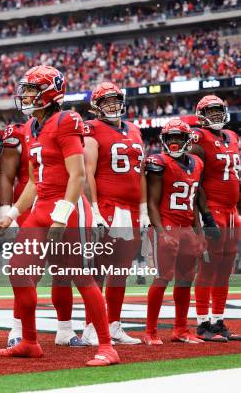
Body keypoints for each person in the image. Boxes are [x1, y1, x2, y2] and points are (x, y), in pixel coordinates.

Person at [0, 65, 118, 366]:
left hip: (69, 208)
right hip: (41, 208)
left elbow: (76, 175)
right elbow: (36, 183)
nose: (25, 96)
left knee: (80, 275)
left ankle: (106, 346)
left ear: (50, 94)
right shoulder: (31, 129)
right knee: (18, 269)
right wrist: (11, 213)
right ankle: (29, 341)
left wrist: (62, 215)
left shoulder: (66, 120)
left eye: (31, 90)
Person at [80, 81, 149, 345]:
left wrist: (143, 209)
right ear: (96, 107)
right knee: (99, 268)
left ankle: (114, 325)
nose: (111, 105)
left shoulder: (134, 129)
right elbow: (88, 173)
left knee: (121, 269)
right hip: (109, 205)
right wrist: (94, 208)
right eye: (106, 101)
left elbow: (140, 172)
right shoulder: (92, 129)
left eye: (115, 99)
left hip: (130, 209)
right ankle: (91, 327)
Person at [143, 119, 205, 345]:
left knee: (185, 280)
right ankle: (150, 332)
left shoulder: (198, 163)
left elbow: (195, 201)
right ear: (164, 140)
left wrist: (199, 232)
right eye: (171, 138)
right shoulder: (159, 162)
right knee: (162, 278)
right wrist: (161, 232)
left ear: (188, 140)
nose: (175, 142)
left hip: (187, 226)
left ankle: (180, 329)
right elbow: (152, 202)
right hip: (168, 225)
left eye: (179, 138)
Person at [191, 95, 241, 341]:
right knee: (208, 267)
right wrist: (204, 216)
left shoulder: (232, 137)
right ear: (201, 115)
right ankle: (202, 324)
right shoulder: (199, 137)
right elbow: (192, 178)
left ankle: (218, 320)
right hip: (213, 209)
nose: (216, 116)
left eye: (218, 111)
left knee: (225, 269)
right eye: (210, 112)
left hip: (233, 212)